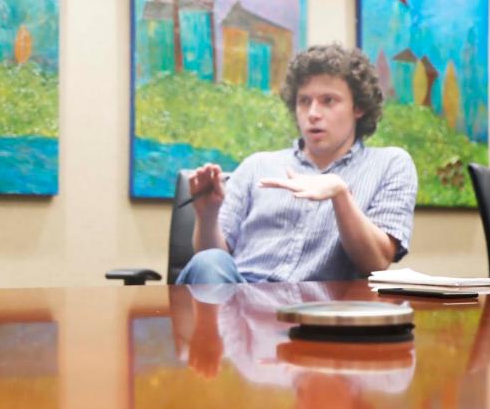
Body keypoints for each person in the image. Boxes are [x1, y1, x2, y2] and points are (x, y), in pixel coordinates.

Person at [177, 44, 418, 284]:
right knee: (208, 262)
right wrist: (208, 215)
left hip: (318, 311)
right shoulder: (256, 166)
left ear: (359, 107)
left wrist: (340, 194)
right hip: (240, 304)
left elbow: (376, 261)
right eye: (304, 101)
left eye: (328, 101)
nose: (313, 113)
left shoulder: (390, 164)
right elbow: (210, 262)